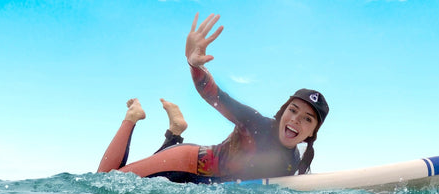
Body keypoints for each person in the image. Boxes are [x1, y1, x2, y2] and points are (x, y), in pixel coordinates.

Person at [97, 13, 329, 183]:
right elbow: (214, 95)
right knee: (106, 181)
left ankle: (174, 131)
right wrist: (194, 65)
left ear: (312, 134)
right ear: (283, 112)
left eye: (308, 119)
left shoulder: (294, 160)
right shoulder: (257, 124)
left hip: (196, 186)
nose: (296, 119)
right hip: (184, 162)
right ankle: (132, 116)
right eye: (293, 110)